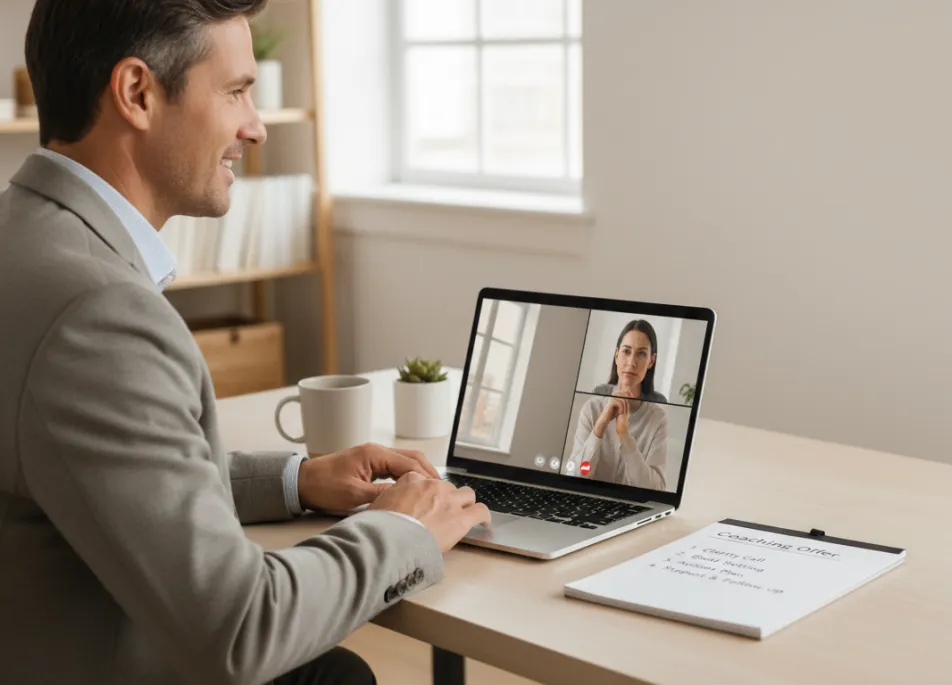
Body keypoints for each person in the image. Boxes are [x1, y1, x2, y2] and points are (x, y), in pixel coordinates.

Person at [0, 2, 489, 684]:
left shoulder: (23, 240)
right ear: (137, 93)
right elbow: (239, 629)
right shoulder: (96, 311)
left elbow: (99, 472)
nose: (255, 128)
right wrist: (404, 530)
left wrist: (296, 480)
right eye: (236, 93)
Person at [567, 320, 670, 490]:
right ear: (616, 355)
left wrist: (624, 436)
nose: (631, 362)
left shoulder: (657, 418)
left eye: (641, 354)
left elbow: (656, 490)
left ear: (652, 361)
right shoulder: (592, 408)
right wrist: (600, 426)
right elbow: (574, 476)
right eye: (626, 352)